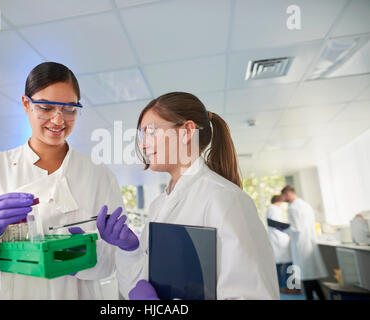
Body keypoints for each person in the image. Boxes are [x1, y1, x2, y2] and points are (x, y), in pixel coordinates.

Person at [0, 62, 127, 299]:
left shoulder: (99, 176)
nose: (58, 120)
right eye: (45, 107)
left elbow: (112, 264)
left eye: (70, 109)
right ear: (26, 104)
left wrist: (84, 258)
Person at [112, 92, 279, 300]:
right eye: (143, 135)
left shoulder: (224, 198)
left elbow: (254, 296)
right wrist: (129, 251)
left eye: (151, 132)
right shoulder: (159, 205)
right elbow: (143, 286)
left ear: (187, 131)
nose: (144, 145)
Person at [280, 185, 327, 300]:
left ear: (288, 193)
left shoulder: (293, 208)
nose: (284, 198)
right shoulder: (306, 205)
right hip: (308, 243)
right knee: (311, 278)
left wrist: (282, 228)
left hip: (301, 246)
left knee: (307, 278)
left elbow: (296, 228)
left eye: (284, 195)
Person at [266, 195, 297, 294]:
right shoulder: (274, 209)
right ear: (280, 201)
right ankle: (288, 287)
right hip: (279, 241)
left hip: (278, 241)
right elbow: (274, 223)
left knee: (279, 266)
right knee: (288, 265)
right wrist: (289, 226)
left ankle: (282, 287)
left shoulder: (271, 209)